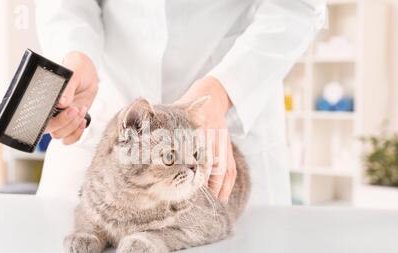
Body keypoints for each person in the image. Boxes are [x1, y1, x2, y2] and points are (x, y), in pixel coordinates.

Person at [35, 0, 327, 205]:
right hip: (104, 111)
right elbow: (64, 5)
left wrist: (224, 89)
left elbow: (296, 6)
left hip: (230, 110)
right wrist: (76, 52)